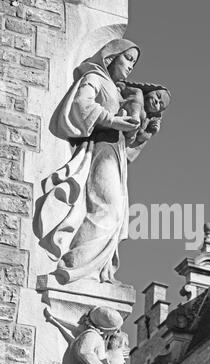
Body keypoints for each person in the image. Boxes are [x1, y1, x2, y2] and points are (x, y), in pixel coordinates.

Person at [33, 38, 153, 285]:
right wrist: (113, 120)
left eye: (134, 62)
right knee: (105, 206)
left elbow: (129, 146)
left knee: (117, 214)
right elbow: (81, 104)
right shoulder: (95, 78)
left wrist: (143, 135)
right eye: (128, 59)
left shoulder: (117, 91)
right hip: (100, 151)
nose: (131, 66)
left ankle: (99, 270)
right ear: (111, 57)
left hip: (116, 154)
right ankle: (76, 267)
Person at [116, 81, 171, 145]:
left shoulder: (146, 119)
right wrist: (119, 89)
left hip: (127, 133)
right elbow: (122, 86)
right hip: (121, 111)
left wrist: (150, 132)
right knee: (139, 97)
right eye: (158, 95)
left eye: (160, 105)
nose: (157, 101)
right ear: (150, 90)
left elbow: (139, 138)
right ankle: (134, 118)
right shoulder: (138, 92)